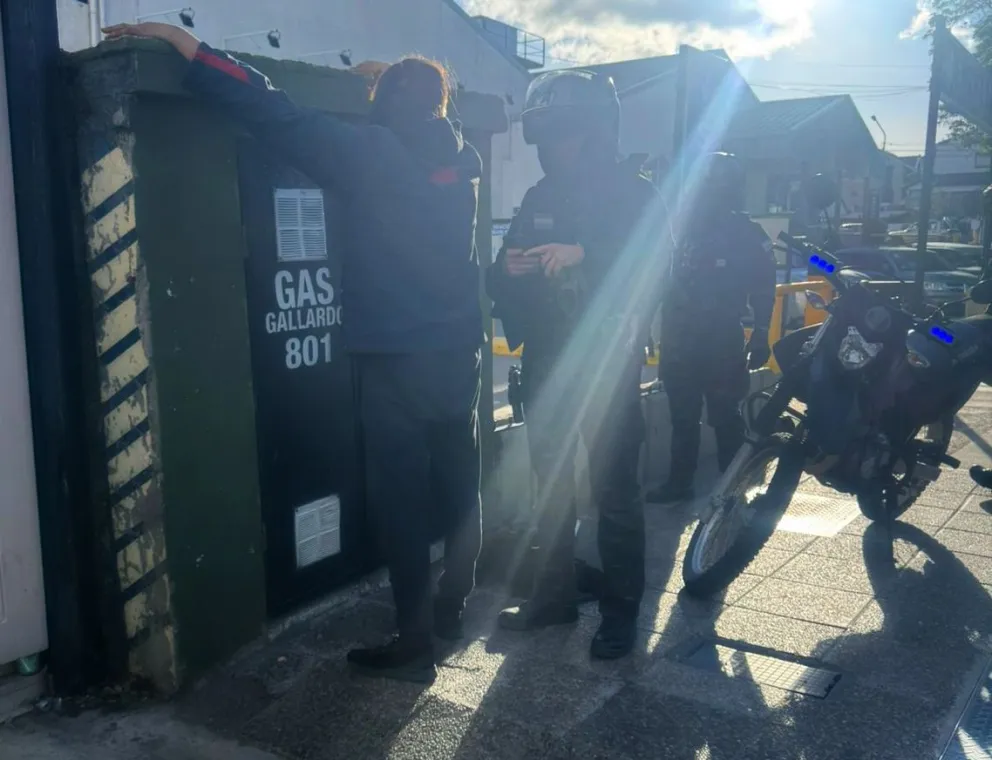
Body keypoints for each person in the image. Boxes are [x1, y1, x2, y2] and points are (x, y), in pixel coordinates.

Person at [103, 23, 483, 684]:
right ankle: (455, 604)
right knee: (460, 485)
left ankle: (415, 639)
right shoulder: (460, 157)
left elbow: (275, 111)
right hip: (458, 353)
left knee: (402, 499)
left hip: (395, 358)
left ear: (385, 105)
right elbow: (411, 123)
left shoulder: (371, 153)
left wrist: (191, 50)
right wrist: (385, 88)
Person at [486, 69, 667, 659]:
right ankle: (553, 598)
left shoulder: (634, 191)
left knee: (615, 496)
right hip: (547, 366)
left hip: (608, 371)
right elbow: (500, 277)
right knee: (550, 492)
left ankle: (621, 613)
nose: (554, 148)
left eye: (564, 134)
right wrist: (507, 272)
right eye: (547, 136)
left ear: (593, 132)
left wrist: (585, 252)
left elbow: (660, 260)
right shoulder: (540, 196)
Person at [647, 152, 776, 505]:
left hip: (720, 340)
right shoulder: (679, 228)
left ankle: (733, 486)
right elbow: (657, 281)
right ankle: (679, 484)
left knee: (725, 417)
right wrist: (645, 326)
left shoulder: (746, 234)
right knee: (682, 418)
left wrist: (762, 331)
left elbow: (765, 285)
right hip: (679, 339)